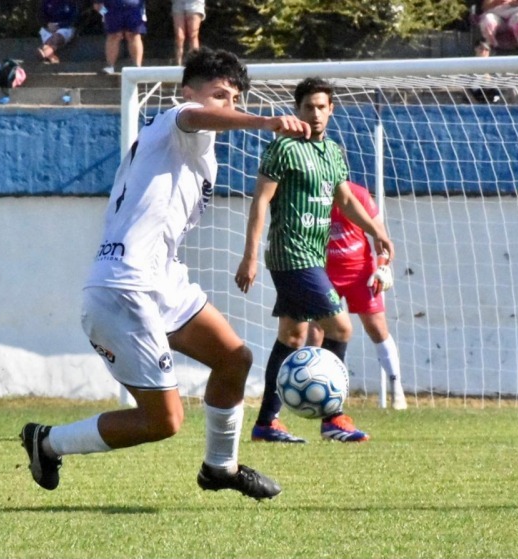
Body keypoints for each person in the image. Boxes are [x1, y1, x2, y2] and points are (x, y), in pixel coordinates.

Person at [19, 48, 311, 500]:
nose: (225, 105)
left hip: (163, 279)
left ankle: (221, 467)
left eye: (233, 98)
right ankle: (48, 442)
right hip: (123, 286)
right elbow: (195, 116)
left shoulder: (199, 153)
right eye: (218, 95)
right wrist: (265, 122)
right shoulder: (174, 120)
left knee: (235, 358)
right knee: (164, 422)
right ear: (187, 92)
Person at [235, 77, 395, 444]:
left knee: (292, 337)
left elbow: (346, 200)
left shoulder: (333, 152)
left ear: (331, 109)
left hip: (314, 256)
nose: (317, 113)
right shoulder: (284, 148)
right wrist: (250, 256)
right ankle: (332, 417)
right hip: (291, 255)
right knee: (341, 328)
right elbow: (260, 201)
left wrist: (377, 230)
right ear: (298, 110)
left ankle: (265, 424)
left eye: (322, 107)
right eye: (309, 107)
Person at [306, 180, 407, 411]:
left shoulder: (358, 195)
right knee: (316, 331)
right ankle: (313, 391)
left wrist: (382, 267)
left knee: (377, 328)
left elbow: (379, 235)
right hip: (324, 271)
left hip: (359, 271)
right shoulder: (311, 194)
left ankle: (396, 388)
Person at [93, 0, 145, 75]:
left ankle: (137, 66)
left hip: (134, 9)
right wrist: (106, 13)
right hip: (112, 9)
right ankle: (110, 66)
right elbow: (97, 5)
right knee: (113, 36)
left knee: (133, 35)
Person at [37, 0, 79, 64]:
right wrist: (47, 24)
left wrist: (59, 25)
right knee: (44, 31)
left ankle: (45, 52)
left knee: (58, 36)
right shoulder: (46, 2)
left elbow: (74, 19)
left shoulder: (71, 2)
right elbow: (41, 17)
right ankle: (51, 57)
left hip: (66, 28)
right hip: (49, 27)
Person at [172, 0, 204, 66]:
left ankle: (195, 64)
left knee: (193, 35)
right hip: (178, 3)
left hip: (194, 3)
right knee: (179, 36)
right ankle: (177, 65)